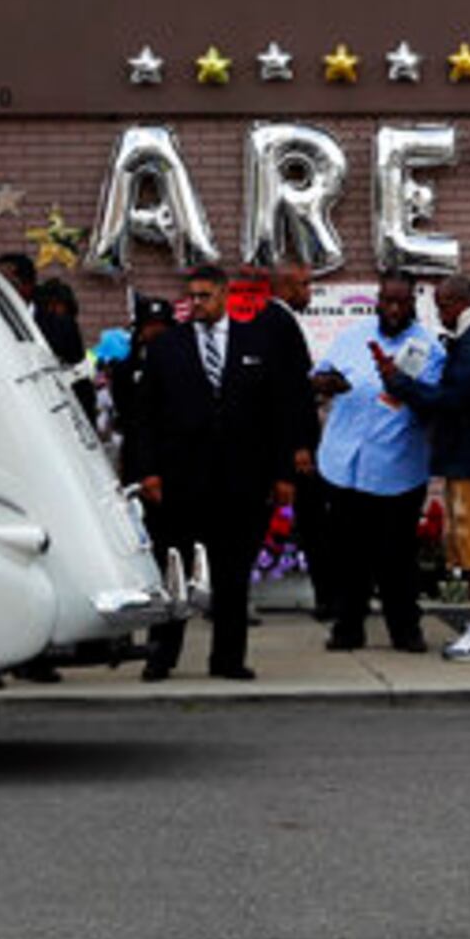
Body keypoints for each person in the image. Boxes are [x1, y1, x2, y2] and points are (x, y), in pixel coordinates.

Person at [122, 266, 303, 681]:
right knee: (176, 573)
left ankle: (228, 659)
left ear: (223, 296)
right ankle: (161, 656)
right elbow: (143, 415)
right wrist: (147, 471)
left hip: (241, 482)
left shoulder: (256, 344)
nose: (197, 304)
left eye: (205, 296)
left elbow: (279, 413)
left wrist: (283, 474)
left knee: (232, 576)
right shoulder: (169, 346)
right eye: (193, 297)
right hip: (180, 482)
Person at [377, 271, 470, 659]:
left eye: (441, 308)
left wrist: (400, 384)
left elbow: (452, 399)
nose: (440, 317)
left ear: (457, 304)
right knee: (469, 541)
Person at [306, 274, 438, 653]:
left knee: (396, 558)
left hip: (395, 470)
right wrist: (325, 382)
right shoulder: (353, 335)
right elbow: (321, 374)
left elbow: (425, 401)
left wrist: (398, 381)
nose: (393, 310)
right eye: (387, 301)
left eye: (400, 303)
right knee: (348, 555)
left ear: (413, 305)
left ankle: (405, 631)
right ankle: (347, 629)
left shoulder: (425, 347)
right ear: (377, 302)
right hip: (344, 463)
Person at [251, 259, 336, 616]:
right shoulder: (279, 323)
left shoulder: (269, 322)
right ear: (284, 287)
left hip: (278, 440)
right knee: (314, 522)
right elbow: (287, 393)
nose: (309, 293)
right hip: (290, 445)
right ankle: (329, 599)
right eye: (303, 285)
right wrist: (298, 446)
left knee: (263, 520)